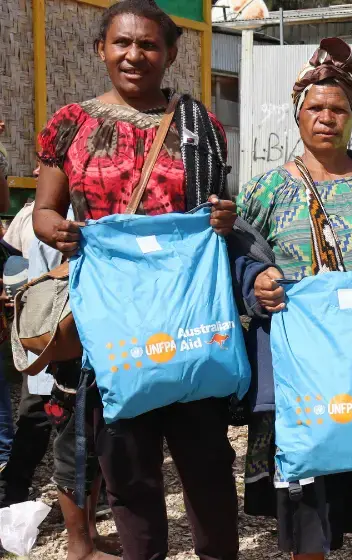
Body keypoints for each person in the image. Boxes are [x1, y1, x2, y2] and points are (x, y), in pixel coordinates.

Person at [32, 1, 242, 558]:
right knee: (128, 463)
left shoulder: (201, 125)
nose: (134, 55)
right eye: (122, 43)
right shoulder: (71, 124)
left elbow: (218, 206)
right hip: (113, 322)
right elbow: (45, 210)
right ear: (101, 48)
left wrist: (224, 215)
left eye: (149, 45)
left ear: (171, 53)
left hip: (187, 319)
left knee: (206, 461)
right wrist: (61, 233)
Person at [235, 38, 352, 560]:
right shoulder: (266, 190)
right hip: (300, 373)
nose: (327, 117)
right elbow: (234, 258)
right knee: (308, 500)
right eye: (315, 108)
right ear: (297, 116)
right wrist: (255, 280)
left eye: (338, 108)